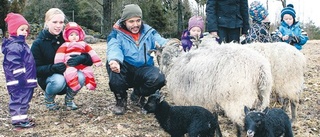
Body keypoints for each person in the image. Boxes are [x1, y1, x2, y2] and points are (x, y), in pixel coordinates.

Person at [107, 4, 172, 115]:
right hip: (125, 68)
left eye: (138, 20)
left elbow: (161, 41)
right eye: (131, 21)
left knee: (159, 77)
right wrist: (114, 60)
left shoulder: (149, 32)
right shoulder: (116, 33)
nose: (136, 25)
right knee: (112, 67)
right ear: (124, 21)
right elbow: (114, 47)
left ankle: (137, 94)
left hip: (143, 68)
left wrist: (172, 45)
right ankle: (121, 100)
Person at [31, 8, 93, 111]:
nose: (58, 25)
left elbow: (89, 59)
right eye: (54, 22)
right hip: (50, 78)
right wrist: (52, 68)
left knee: (81, 76)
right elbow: (34, 70)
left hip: (70, 73)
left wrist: (82, 58)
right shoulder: (38, 43)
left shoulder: (69, 37)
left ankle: (69, 99)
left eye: (61, 22)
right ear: (47, 22)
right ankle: (49, 99)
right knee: (59, 80)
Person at [2, 13, 37, 129]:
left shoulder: (22, 44)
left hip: (25, 79)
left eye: (26, 30)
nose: (24, 32)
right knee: (18, 99)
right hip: (18, 80)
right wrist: (20, 76)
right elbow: (14, 63)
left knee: (25, 99)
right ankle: (18, 121)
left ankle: (23, 117)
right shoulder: (14, 46)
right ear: (13, 30)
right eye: (21, 29)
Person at [54, 22, 102, 91]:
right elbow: (60, 54)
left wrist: (97, 61)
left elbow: (91, 52)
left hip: (82, 63)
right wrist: (58, 64)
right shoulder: (65, 45)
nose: (74, 36)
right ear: (67, 36)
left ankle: (91, 83)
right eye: (71, 35)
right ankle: (74, 84)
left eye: (76, 34)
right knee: (70, 72)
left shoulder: (83, 44)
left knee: (88, 70)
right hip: (70, 63)